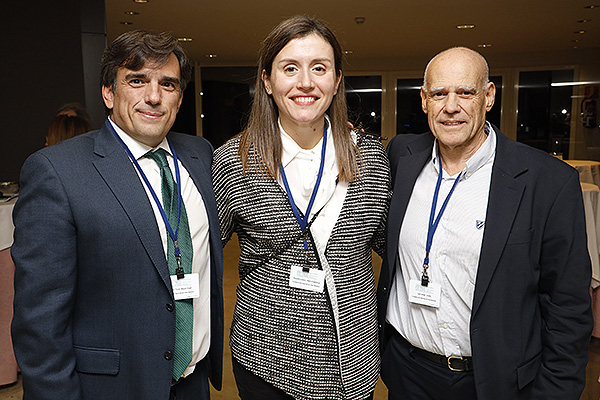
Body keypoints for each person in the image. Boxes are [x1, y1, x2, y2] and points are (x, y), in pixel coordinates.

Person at [12, 30, 223, 399]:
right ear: (109, 92)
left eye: (168, 84)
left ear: (180, 97)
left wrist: (328, 136)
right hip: (113, 389)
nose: (153, 97)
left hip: (194, 384)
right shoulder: (57, 171)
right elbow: (40, 325)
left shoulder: (200, 155)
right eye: (137, 80)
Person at [377, 46, 592, 400]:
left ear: (488, 96)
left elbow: (567, 308)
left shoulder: (548, 182)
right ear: (423, 100)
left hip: (494, 382)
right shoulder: (401, 156)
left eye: (465, 92)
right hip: (406, 372)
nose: (451, 106)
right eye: (439, 93)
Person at [212, 15, 390, 400]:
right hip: (266, 363)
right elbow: (201, 253)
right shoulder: (235, 161)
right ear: (267, 80)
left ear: (337, 80)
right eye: (289, 68)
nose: (305, 83)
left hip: (354, 365)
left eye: (319, 68)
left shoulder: (371, 158)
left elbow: (397, 249)